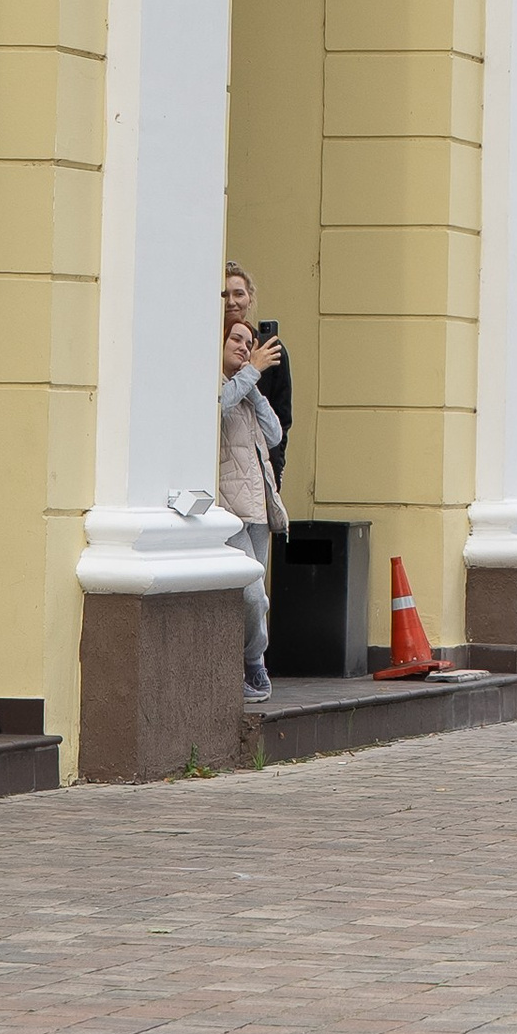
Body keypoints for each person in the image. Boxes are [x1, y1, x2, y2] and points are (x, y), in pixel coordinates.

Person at [219, 285, 286, 704]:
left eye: (250, 342)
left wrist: (255, 381)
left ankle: (250, 665)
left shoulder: (248, 389)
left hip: (258, 508)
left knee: (257, 596)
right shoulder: (222, 385)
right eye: (236, 340)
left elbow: (276, 433)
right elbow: (219, 405)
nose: (245, 348)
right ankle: (254, 665)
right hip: (230, 508)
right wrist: (249, 374)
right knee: (250, 591)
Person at [225, 263, 292, 489]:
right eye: (224, 294)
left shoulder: (271, 350)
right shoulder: (205, 345)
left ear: (250, 300)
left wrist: (276, 469)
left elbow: (281, 419)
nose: (231, 301)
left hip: (258, 469)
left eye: (239, 294)